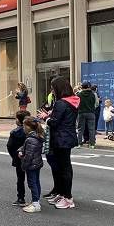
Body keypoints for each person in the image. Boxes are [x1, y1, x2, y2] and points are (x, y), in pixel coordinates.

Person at [42, 77, 79, 209]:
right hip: (68, 136)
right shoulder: (73, 101)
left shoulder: (61, 103)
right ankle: (63, 194)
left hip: (60, 138)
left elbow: (55, 122)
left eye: (53, 88)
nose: (52, 90)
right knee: (65, 167)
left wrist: (47, 119)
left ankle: (67, 198)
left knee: (64, 168)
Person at [20, 117, 46, 213]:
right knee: (36, 182)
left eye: (24, 126)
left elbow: (29, 155)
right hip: (37, 163)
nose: (23, 128)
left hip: (31, 164)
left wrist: (24, 165)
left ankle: (35, 203)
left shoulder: (30, 139)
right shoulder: (37, 136)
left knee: (32, 183)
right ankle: (36, 201)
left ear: (28, 127)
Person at [6, 109, 30, 207]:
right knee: (33, 179)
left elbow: (9, 146)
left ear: (18, 120)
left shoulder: (14, 132)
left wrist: (14, 156)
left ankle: (21, 198)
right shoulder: (31, 131)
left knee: (20, 179)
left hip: (19, 158)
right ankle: (35, 199)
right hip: (31, 158)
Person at [76, 82, 97, 148]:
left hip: (81, 112)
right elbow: (96, 104)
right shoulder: (93, 94)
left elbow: (77, 104)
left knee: (80, 129)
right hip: (91, 113)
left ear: (82, 87)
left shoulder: (79, 95)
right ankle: (92, 144)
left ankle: (79, 143)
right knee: (91, 129)